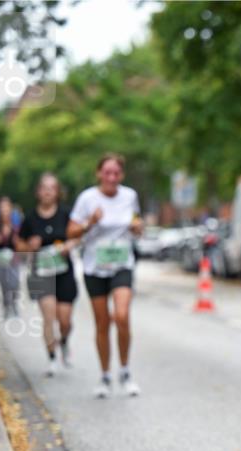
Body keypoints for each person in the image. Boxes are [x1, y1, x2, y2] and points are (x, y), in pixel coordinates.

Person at [67, 153, 144, 398]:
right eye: (107, 172)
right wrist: (90, 222)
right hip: (94, 267)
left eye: (116, 173)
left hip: (122, 264)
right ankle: (105, 375)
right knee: (102, 323)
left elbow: (137, 224)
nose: (111, 177)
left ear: (122, 175)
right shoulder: (87, 198)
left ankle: (125, 371)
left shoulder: (130, 196)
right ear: (99, 173)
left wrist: (137, 227)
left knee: (121, 316)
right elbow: (71, 231)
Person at [16, 173, 79, 376]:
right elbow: (19, 245)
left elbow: (77, 236)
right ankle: (51, 358)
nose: (48, 191)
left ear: (57, 192)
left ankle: (64, 341)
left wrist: (69, 246)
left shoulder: (66, 214)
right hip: (42, 273)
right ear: (38, 192)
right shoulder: (30, 218)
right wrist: (29, 246)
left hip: (63, 271)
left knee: (65, 320)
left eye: (52, 188)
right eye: (44, 187)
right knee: (48, 317)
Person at [0, 197, 22, 317]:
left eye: (6, 207)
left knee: (14, 283)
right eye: (2, 207)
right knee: (4, 284)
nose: (4, 210)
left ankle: (14, 303)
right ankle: (6, 307)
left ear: (10, 208)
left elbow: (22, 242)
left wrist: (17, 241)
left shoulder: (16, 224)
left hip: (14, 259)